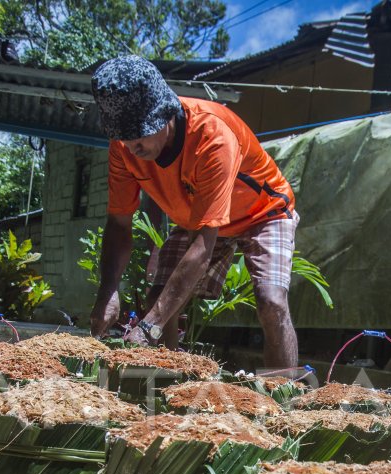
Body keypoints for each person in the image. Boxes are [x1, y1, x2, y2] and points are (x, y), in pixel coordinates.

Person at [88, 55, 299, 369]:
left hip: (263, 212)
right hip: (199, 218)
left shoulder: (213, 136)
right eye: (123, 135)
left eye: (139, 133)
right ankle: (167, 389)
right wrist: (108, 292)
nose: (131, 146)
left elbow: (203, 246)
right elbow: (119, 223)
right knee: (158, 299)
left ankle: (282, 400)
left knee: (271, 302)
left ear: (164, 114)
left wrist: (149, 327)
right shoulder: (124, 149)